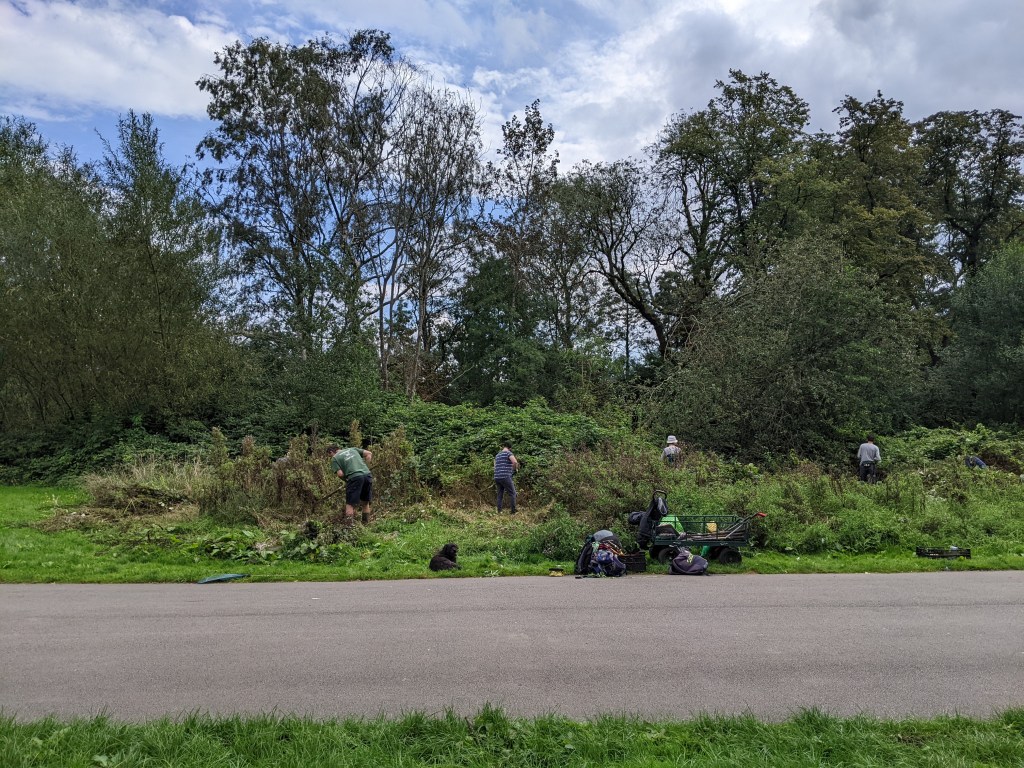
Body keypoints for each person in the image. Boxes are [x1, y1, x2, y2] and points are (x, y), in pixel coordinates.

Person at [327, 443, 373, 525]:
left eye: (329, 455)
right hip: (367, 475)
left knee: (350, 504)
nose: (330, 457)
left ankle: (349, 528)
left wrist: (347, 480)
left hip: (354, 478)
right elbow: (369, 454)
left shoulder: (335, 458)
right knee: (365, 502)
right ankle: (366, 524)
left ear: (331, 452)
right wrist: (365, 467)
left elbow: (340, 474)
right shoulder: (353, 449)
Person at [494, 442, 520, 514]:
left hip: (497, 476)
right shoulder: (508, 453)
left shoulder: (497, 455)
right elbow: (515, 462)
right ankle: (513, 511)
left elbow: (495, 466)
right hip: (505, 476)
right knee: (512, 493)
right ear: (510, 448)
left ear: (503, 447)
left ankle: (499, 511)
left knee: (500, 494)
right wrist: (515, 469)